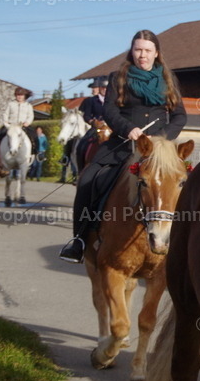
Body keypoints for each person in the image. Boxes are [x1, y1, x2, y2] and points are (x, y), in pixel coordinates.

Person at [58, 30, 187, 263]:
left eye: (148, 50)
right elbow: (109, 111)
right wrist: (128, 129)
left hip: (158, 150)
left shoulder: (168, 79)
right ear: (132, 51)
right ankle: (79, 240)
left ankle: (182, 241)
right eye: (138, 50)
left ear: (156, 53)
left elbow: (179, 116)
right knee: (88, 179)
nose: (142, 55)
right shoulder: (118, 76)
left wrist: (161, 139)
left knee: (180, 184)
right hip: (122, 145)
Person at [76, 74, 109, 169]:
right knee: (82, 143)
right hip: (96, 127)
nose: (105, 89)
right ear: (100, 88)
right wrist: (92, 121)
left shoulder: (113, 100)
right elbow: (86, 115)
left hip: (110, 128)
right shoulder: (92, 100)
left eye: (107, 88)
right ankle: (80, 170)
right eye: (103, 87)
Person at [2, 86, 38, 154]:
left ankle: (36, 152)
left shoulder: (28, 105)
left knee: (34, 135)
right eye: (18, 95)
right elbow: (5, 114)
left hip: (23, 126)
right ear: (15, 95)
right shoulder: (10, 104)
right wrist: (6, 122)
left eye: (21, 95)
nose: (19, 97)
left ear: (24, 96)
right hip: (11, 126)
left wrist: (27, 122)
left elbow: (30, 116)